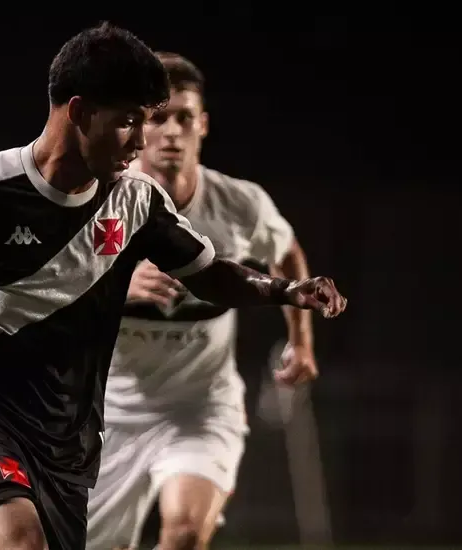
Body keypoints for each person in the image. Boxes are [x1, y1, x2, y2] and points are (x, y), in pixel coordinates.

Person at [0, 25, 347, 550]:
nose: (144, 141)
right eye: (130, 122)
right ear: (78, 112)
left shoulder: (136, 200)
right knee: (19, 543)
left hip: (68, 435)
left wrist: (286, 290)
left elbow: (212, 273)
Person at [86, 52, 322, 550]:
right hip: (110, 410)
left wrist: (300, 343)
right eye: (158, 117)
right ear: (136, 126)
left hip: (201, 406)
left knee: (186, 532)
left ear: (203, 125)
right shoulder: (96, 204)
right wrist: (116, 286)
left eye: (184, 118)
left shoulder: (239, 204)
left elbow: (287, 252)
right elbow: (46, 290)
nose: (171, 131)